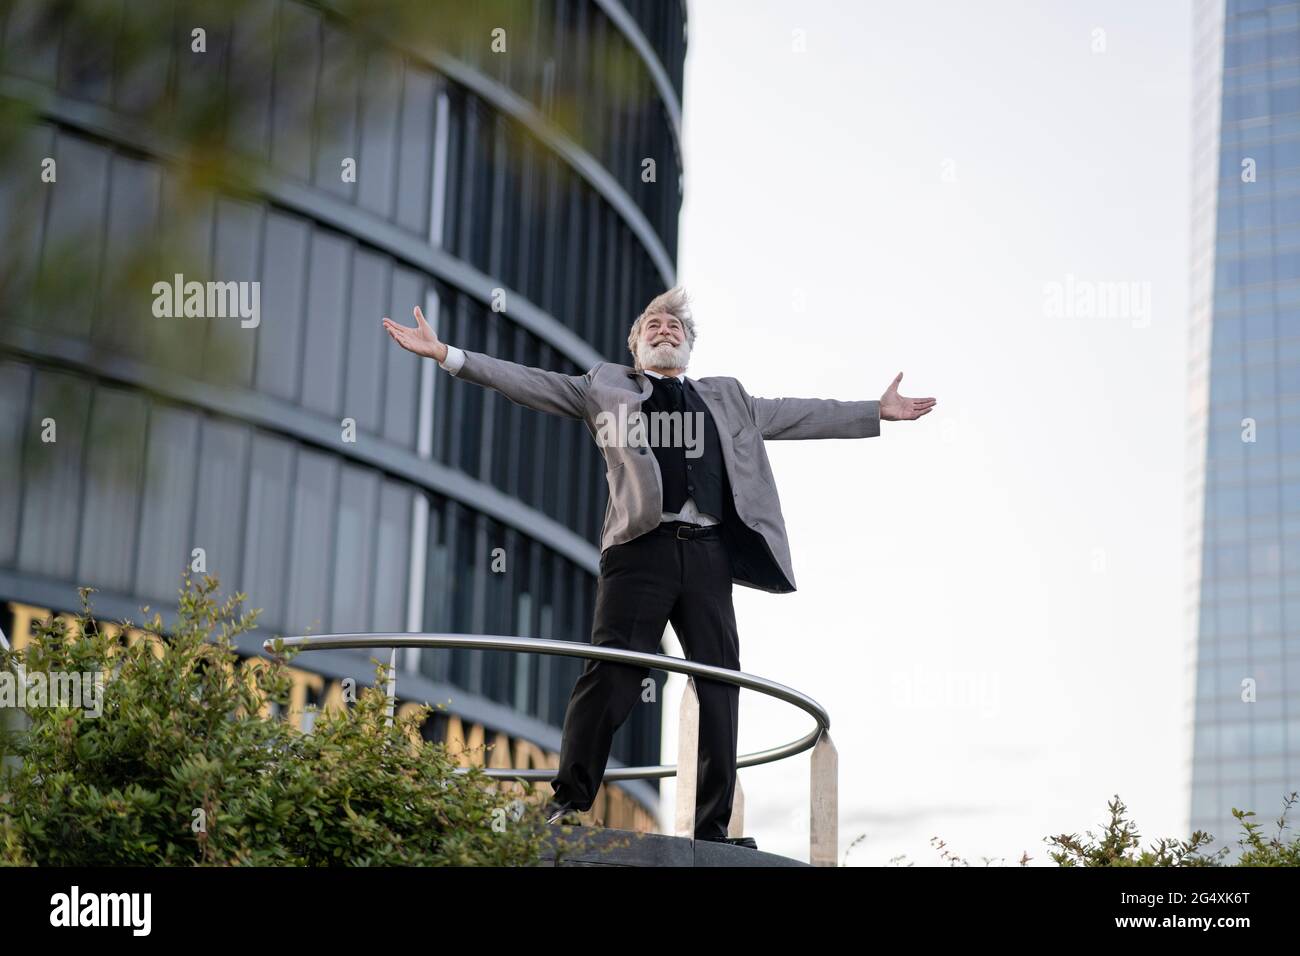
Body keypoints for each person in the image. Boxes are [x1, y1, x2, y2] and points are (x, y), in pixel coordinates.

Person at [383, 286, 936, 848]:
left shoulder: (727, 397)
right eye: (653, 325)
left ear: (689, 345)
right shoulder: (604, 387)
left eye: (675, 326)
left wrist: (875, 411)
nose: (665, 330)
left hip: (708, 554)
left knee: (720, 682)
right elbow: (533, 384)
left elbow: (796, 414)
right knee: (612, 674)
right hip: (638, 551)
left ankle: (713, 831)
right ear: (637, 347)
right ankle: (567, 804)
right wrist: (449, 355)